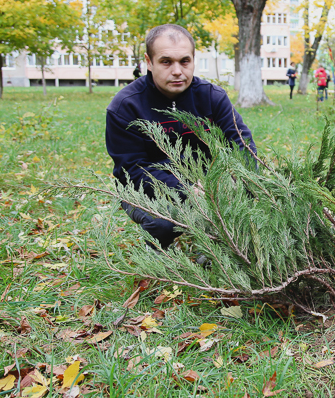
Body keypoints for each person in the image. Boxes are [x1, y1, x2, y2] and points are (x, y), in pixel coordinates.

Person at [106, 24, 256, 249]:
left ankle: (216, 248)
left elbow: (242, 145)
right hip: (149, 189)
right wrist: (185, 189)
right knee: (163, 222)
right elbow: (132, 170)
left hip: (209, 184)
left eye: (185, 61)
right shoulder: (125, 106)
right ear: (149, 62)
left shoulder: (212, 97)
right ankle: (158, 251)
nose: (177, 71)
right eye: (166, 62)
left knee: (252, 199)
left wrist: (230, 181)